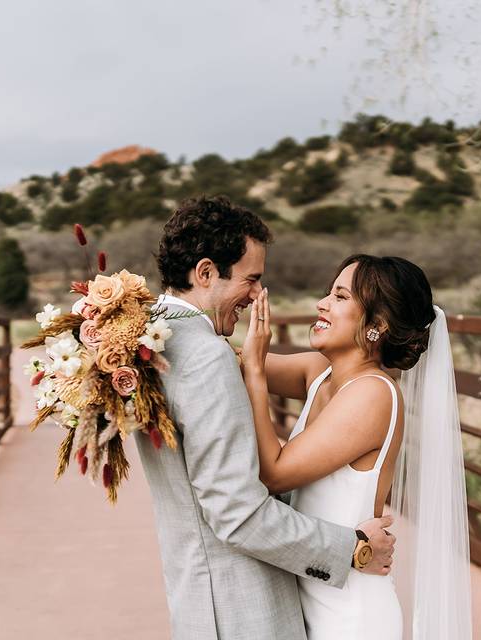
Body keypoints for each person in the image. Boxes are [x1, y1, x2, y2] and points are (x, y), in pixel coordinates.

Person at [135, 196, 396, 640]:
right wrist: (352, 548)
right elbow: (237, 514)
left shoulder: (150, 342)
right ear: (205, 273)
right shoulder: (204, 357)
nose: (258, 295)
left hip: (203, 594)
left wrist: (253, 365)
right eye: (252, 279)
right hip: (239, 607)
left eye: (339, 294)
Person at [241, 254, 472, 639]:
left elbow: (275, 473)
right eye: (328, 293)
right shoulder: (320, 374)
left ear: (377, 326)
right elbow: (225, 362)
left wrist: (254, 371)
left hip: (350, 615)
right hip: (316, 596)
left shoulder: (373, 394)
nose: (321, 304)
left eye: (340, 296)